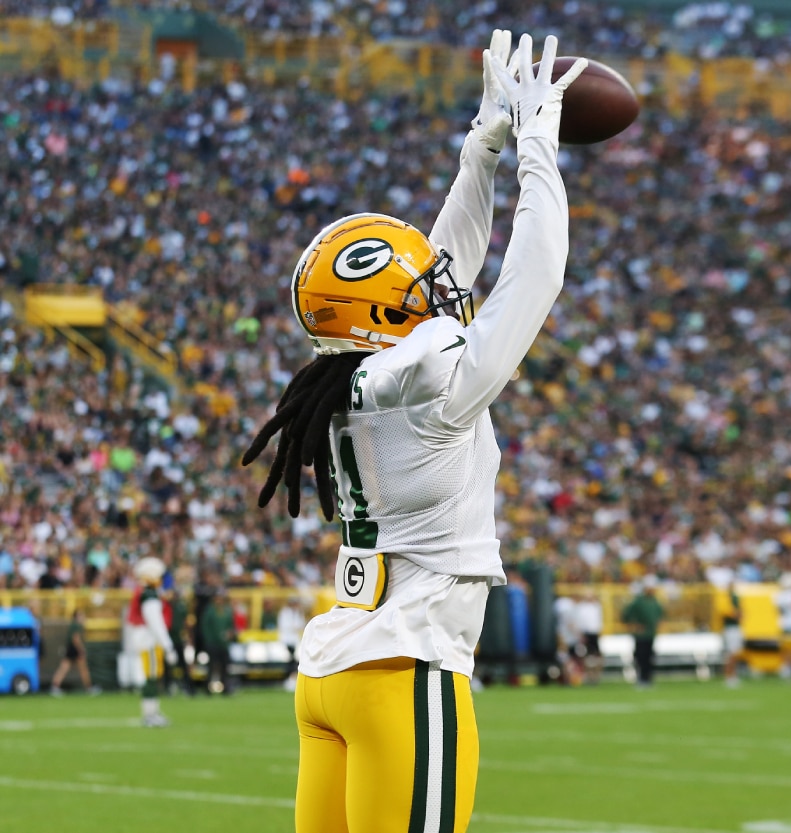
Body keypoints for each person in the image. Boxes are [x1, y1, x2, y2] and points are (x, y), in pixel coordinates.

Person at [239, 31, 588, 833]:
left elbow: (439, 275)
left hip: (337, 675)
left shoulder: (342, 380)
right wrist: (538, 148)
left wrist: (481, 149)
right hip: (409, 667)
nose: (442, 288)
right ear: (388, 313)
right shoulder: (426, 379)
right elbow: (534, 275)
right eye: (421, 289)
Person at [130, 557, 175, 727]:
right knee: (151, 676)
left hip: (147, 638)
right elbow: (156, 623)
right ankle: (150, 714)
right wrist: (168, 646)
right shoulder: (148, 595)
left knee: (152, 675)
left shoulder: (145, 593)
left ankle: (152, 712)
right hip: (149, 639)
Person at [621, 576, 664, 689]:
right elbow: (626, 615)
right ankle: (640, 678)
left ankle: (648, 678)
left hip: (651, 634)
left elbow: (660, 615)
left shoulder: (654, 601)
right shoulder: (638, 601)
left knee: (649, 657)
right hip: (640, 634)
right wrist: (634, 625)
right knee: (640, 657)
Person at [49, 608, 101, 696]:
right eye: (81, 615)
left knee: (64, 668)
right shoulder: (76, 625)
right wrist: (81, 650)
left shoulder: (73, 625)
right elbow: (75, 639)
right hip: (74, 649)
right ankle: (89, 688)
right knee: (83, 669)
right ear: (76, 617)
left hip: (71, 649)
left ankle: (55, 686)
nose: (83, 617)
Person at [200, 589, 237, 695]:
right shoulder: (210, 610)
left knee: (225, 666)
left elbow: (231, 625)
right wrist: (209, 640)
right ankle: (208, 688)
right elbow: (205, 627)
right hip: (213, 643)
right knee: (211, 666)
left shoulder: (227, 610)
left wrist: (230, 634)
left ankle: (226, 687)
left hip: (224, 643)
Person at [277, 595, 308, 693]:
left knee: (295, 661)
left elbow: (301, 625)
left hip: (295, 640)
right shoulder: (285, 613)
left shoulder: (298, 613)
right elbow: (286, 626)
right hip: (287, 640)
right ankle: (289, 680)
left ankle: (292, 680)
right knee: (290, 661)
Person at [574, 589, 604, 686]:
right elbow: (580, 622)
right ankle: (588, 675)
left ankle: (596, 676)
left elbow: (598, 621)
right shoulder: (581, 607)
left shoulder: (596, 606)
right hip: (585, 633)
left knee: (597, 656)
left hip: (594, 633)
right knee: (585, 656)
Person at [720, 581, 745, 688]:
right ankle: (730, 676)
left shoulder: (728, 598)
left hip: (732, 629)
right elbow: (736, 615)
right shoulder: (728, 599)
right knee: (731, 654)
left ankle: (731, 676)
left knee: (732, 654)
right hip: (731, 629)